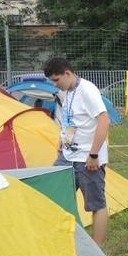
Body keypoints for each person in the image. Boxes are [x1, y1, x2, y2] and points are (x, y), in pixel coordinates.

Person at [44, 57, 111, 245]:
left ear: (67, 73)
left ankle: (97, 249)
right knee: (53, 194)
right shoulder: (67, 92)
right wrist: (61, 139)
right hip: (67, 156)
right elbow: (71, 119)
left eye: (56, 80)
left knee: (96, 204)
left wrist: (93, 155)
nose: (55, 84)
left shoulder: (87, 90)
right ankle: (60, 239)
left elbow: (104, 121)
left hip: (88, 159)